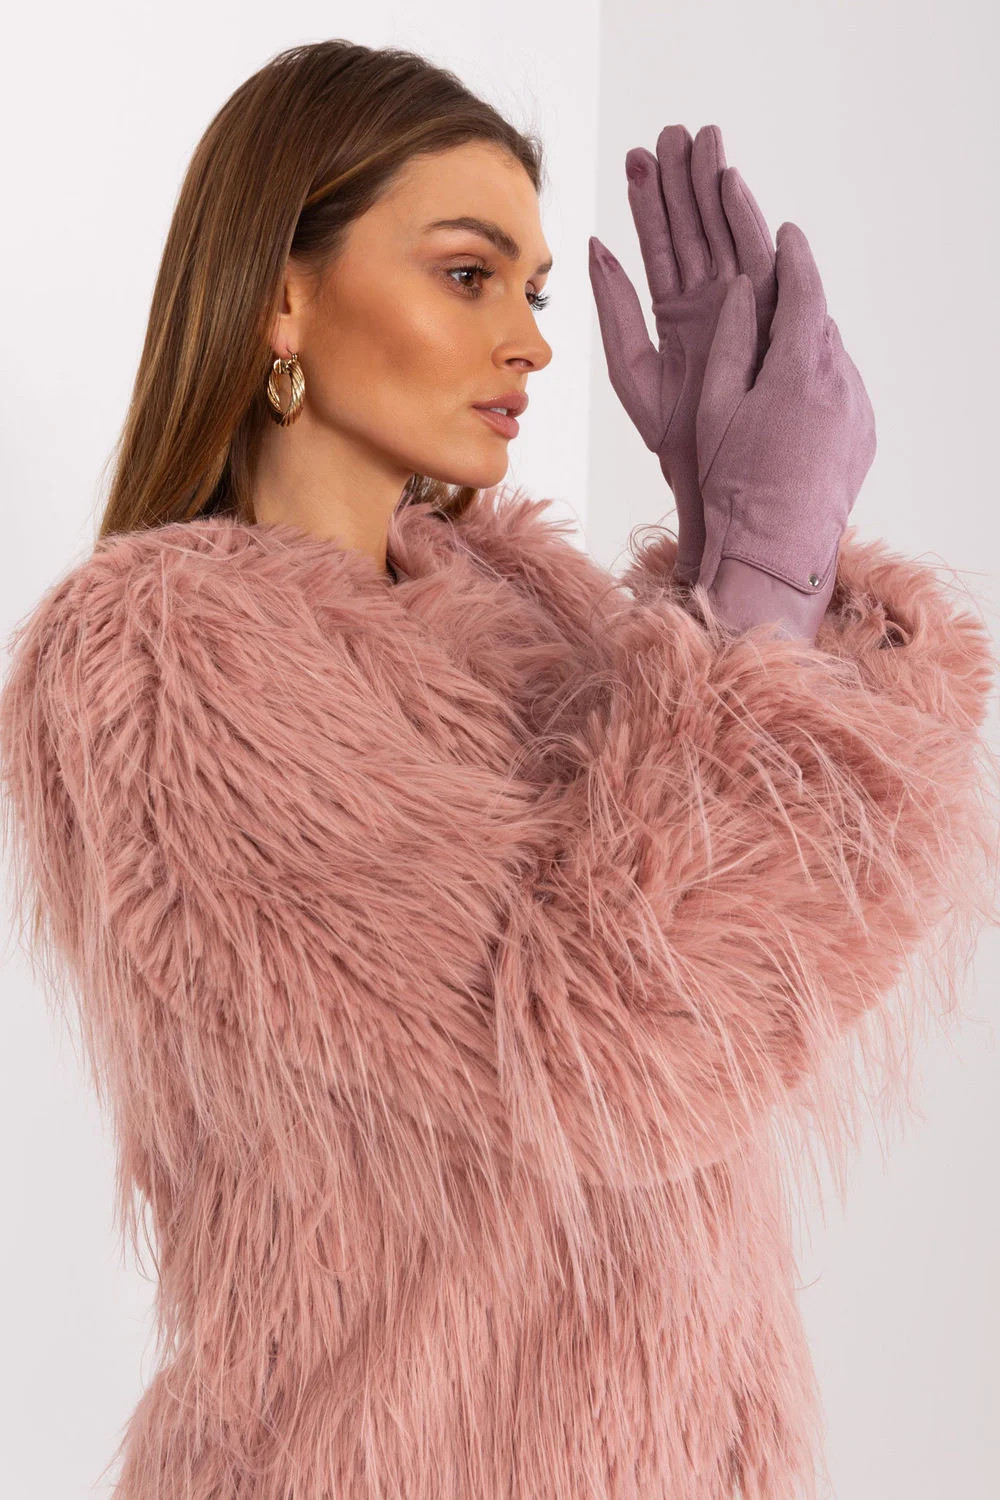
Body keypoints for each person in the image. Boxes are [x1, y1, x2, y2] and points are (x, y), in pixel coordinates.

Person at [1, 37, 996, 1500]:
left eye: (531, 293)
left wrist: (738, 573)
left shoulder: (527, 608)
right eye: (468, 274)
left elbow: (776, 933)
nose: (530, 343)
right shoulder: (163, 662)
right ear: (282, 293)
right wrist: (761, 577)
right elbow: (611, 1049)